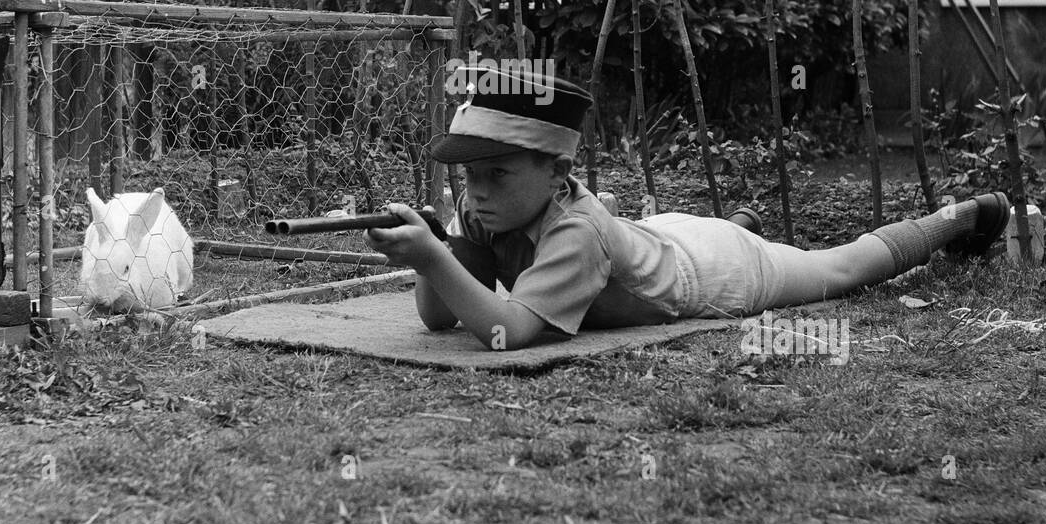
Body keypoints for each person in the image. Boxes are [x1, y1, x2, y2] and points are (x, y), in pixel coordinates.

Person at [365, 70, 1009, 351]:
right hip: (657, 236)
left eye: (495, 173)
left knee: (835, 270)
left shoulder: (575, 233)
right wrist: (434, 253)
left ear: (557, 171)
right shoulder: (491, 209)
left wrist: (432, 255)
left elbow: (508, 333)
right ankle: (741, 222)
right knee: (682, 232)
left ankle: (955, 218)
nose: (474, 191)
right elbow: (438, 317)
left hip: (713, 272)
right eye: (468, 174)